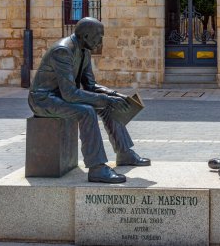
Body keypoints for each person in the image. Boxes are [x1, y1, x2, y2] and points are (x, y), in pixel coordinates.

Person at [28, 17, 150, 184]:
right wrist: (106, 99)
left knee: (107, 106)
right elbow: (70, 94)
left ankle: (124, 152)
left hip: (61, 97)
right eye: (99, 36)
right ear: (85, 36)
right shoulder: (63, 51)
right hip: (44, 99)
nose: (101, 41)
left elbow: (90, 86)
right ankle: (97, 167)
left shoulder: (84, 51)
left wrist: (115, 96)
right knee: (87, 111)